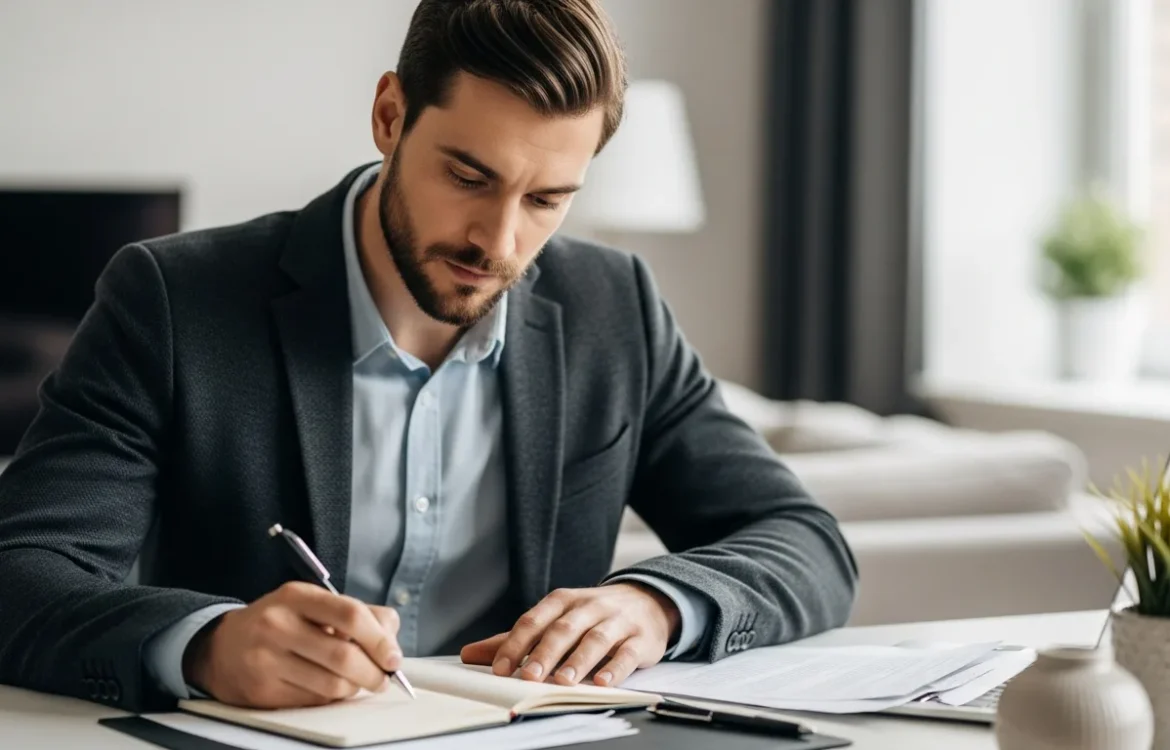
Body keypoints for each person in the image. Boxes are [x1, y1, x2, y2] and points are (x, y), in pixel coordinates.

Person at [0, 0, 857, 713]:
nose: (500, 240)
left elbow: (804, 543)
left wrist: (658, 604)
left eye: (548, 198)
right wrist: (206, 645)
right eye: (469, 177)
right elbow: (21, 578)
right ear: (389, 116)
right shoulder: (174, 298)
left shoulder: (613, 305)